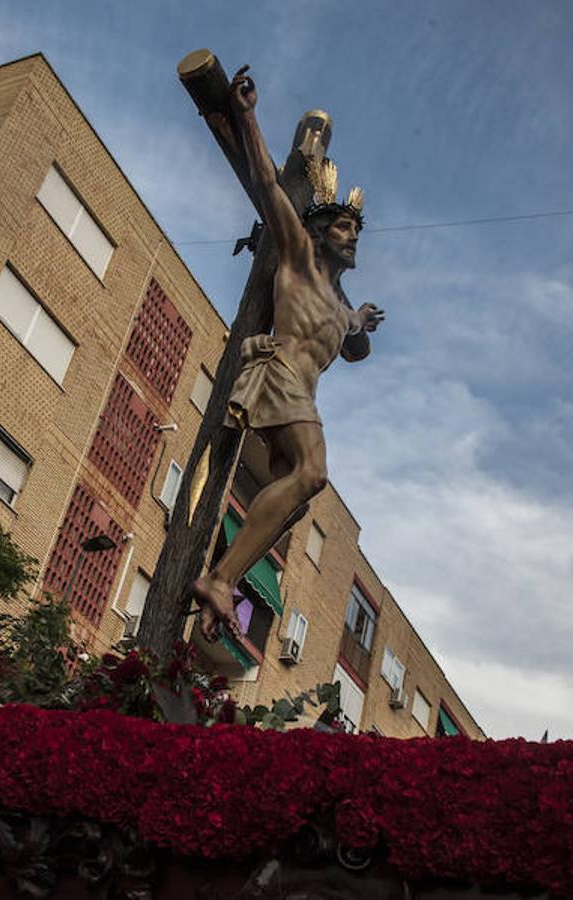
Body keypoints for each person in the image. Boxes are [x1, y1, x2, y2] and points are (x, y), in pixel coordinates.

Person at [191, 66, 384, 642]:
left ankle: (221, 578)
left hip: (294, 398)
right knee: (313, 473)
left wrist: (363, 323)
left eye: (356, 231)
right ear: (321, 231)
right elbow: (269, 188)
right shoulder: (298, 256)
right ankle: (221, 578)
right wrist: (247, 115)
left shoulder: (339, 302)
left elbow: (355, 347)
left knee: (293, 502)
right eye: (344, 227)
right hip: (277, 378)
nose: (352, 237)